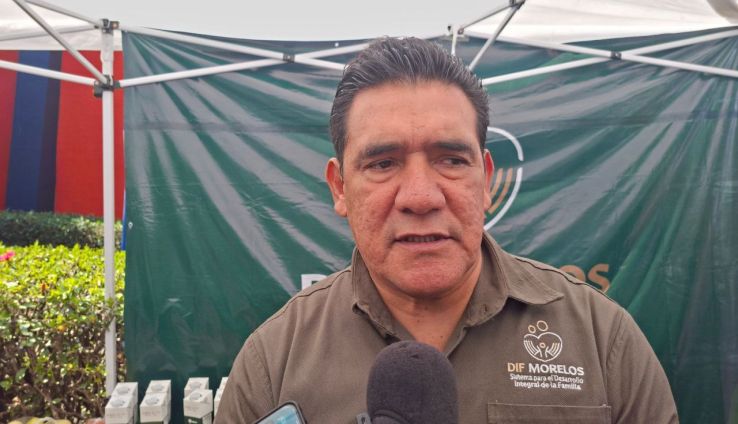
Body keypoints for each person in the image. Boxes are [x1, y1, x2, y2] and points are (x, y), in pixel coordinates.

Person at [216, 37, 678, 423]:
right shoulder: (273, 365)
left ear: (487, 181)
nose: (421, 197)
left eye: (451, 160)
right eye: (383, 163)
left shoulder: (602, 342)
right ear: (340, 187)